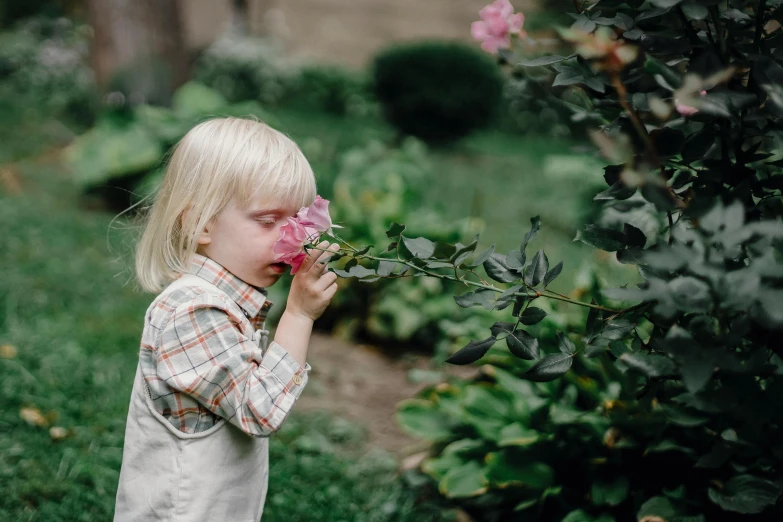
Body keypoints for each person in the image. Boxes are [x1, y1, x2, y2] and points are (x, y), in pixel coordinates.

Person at [114, 117, 339, 521]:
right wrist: (300, 314)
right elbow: (259, 409)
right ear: (199, 223)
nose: (294, 238)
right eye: (269, 221)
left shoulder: (225, 302)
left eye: (298, 222)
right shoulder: (193, 312)